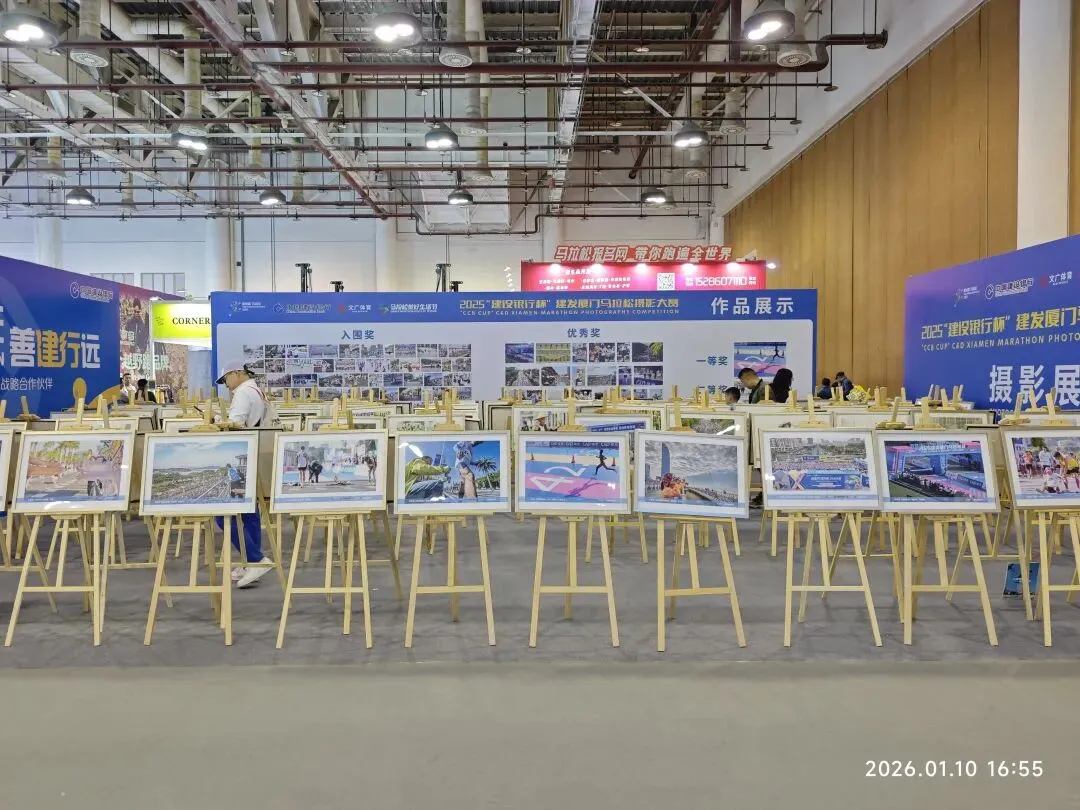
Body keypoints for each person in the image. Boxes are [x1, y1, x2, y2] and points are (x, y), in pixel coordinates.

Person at [215, 358, 272, 589]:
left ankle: (256, 560)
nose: (226, 384)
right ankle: (251, 561)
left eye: (226, 379)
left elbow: (236, 425)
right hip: (252, 454)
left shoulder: (242, 393)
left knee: (223, 513)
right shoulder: (256, 390)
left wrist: (219, 423)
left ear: (237, 373)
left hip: (240, 458)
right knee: (249, 512)